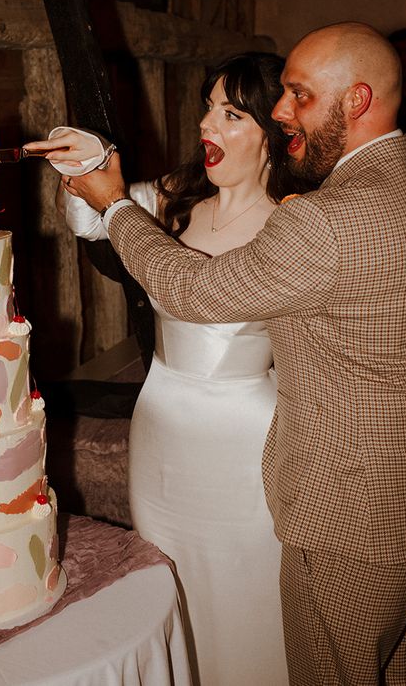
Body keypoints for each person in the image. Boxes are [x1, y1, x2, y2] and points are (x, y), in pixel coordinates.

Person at [57, 22, 406, 684]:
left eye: (299, 96)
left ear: (358, 100)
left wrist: (113, 206)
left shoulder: (321, 220)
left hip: (351, 523)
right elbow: (404, 333)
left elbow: (189, 288)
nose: (282, 113)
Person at [30, 52, 306, 685]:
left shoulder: (296, 226)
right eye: (208, 108)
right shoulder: (176, 201)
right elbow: (94, 218)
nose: (208, 125)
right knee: (166, 585)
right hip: (159, 429)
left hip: (244, 444)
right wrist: (93, 162)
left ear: (272, 133)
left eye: (232, 113)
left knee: (243, 596)